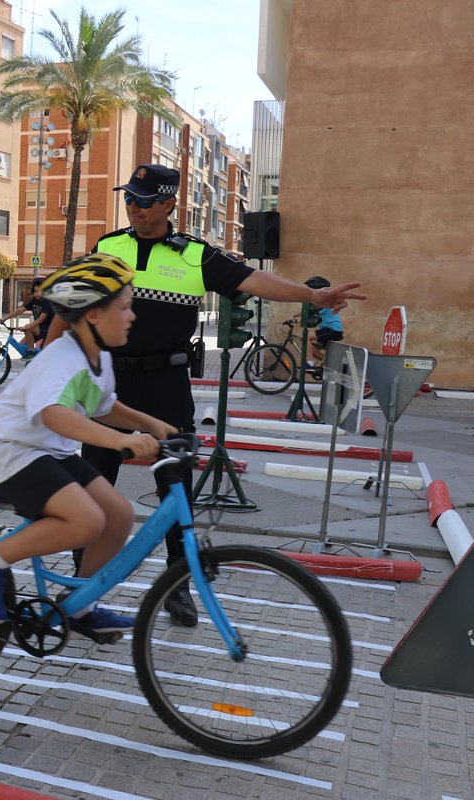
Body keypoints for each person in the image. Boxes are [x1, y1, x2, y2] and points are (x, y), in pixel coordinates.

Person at [44, 164, 366, 627]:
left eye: (143, 200)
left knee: (174, 489)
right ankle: (81, 583)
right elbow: (72, 299)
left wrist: (310, 296)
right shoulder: (108, 246)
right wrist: (49, 356)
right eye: (129, 198)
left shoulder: (196, 255)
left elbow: (254, 280)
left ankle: (177, 587)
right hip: (108, 381)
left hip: (166, 384)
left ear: (168, 204)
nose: (133, 207)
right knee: (94, 483)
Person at [0, 254, 179, 635]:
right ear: (93, 314)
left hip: (50, 454)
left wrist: (150, 424)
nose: (132, 316)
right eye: (124, 308)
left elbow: (103, 407)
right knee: (86, 521)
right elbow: (54, 415)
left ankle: (80, 604)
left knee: (118, 516)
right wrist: (121, 441)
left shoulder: (99, 358)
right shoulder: (62, 357)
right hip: (13, 453)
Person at [0, 277, 53, 358]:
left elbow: (41, 319)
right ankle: (32, 360)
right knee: (22, 346)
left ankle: (32, 352)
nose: (37, 294)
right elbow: (19, 310)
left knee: (28, 328)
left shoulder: (47, 302)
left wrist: (26, 327)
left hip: (48, 329)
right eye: (35, 291)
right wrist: (4, 319)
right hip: (38, 330)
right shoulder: (34, 301)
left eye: (40, 291)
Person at [303, 275, 344, 367]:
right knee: (314, 350)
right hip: (331, 329)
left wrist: (293, 316)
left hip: (332, 329)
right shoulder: (324, 301)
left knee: (306, 336)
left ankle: (310, 361)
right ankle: (334, 366)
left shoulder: (323, 302)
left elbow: (309, 311)